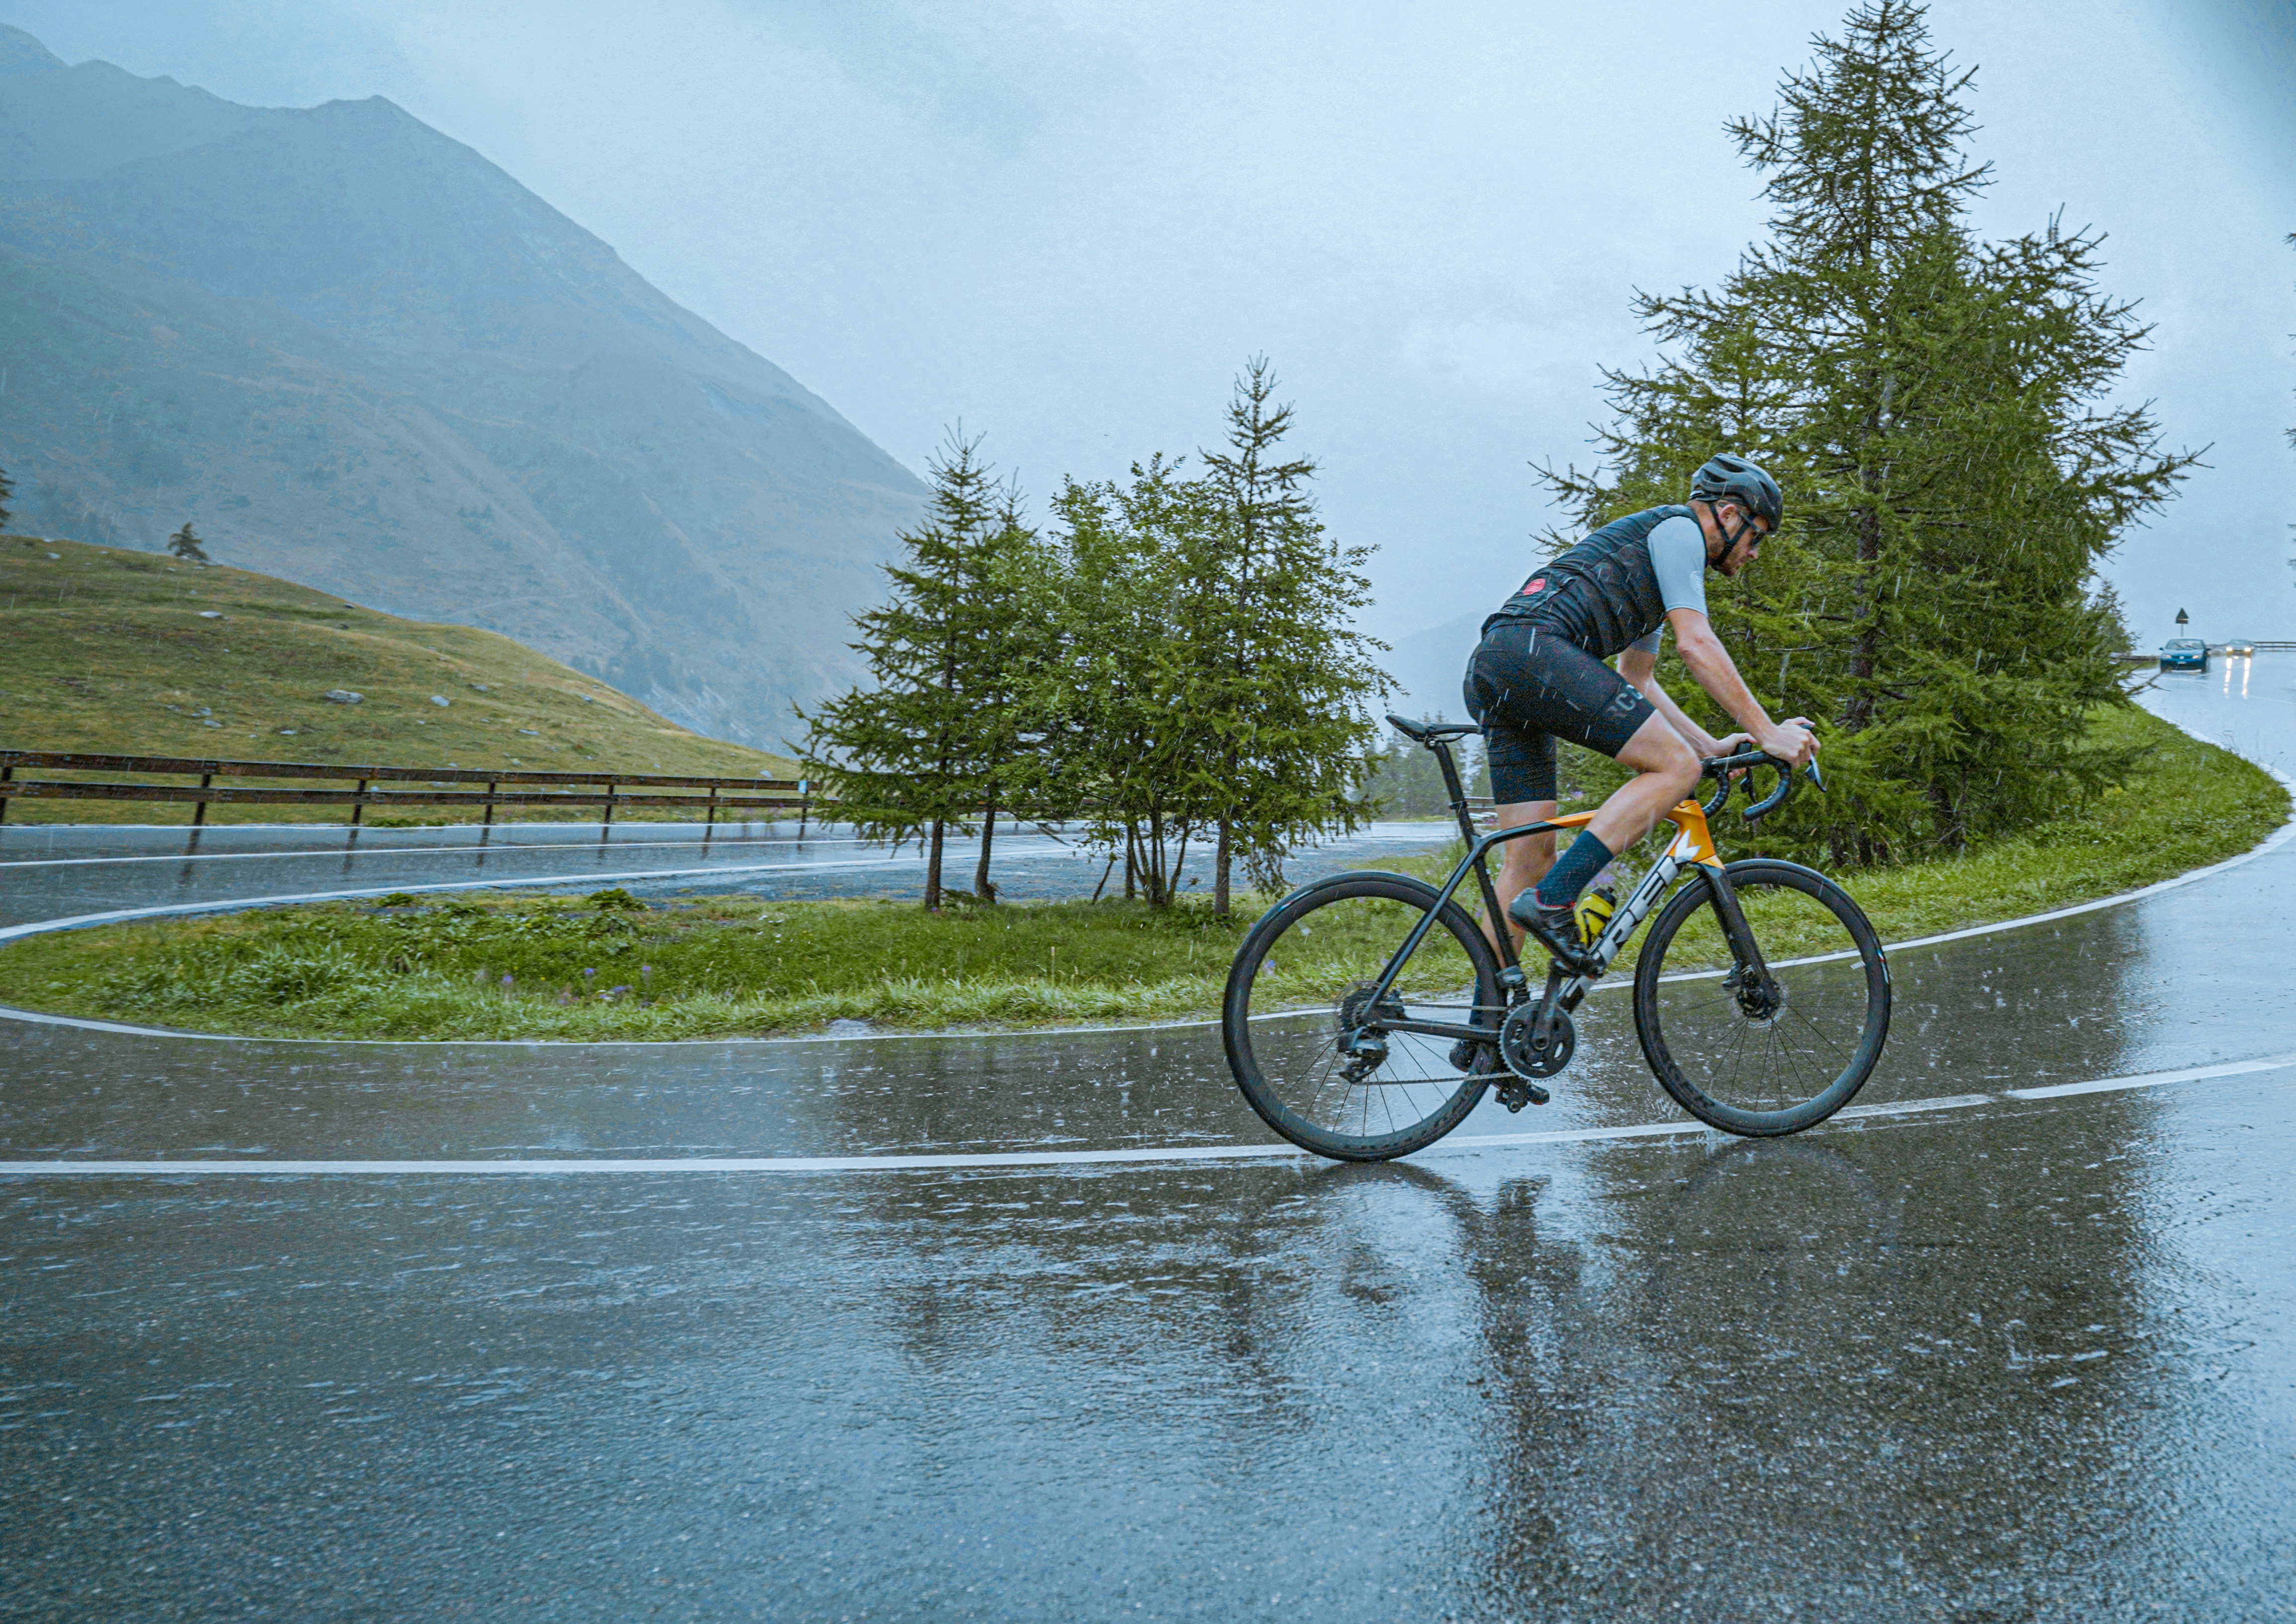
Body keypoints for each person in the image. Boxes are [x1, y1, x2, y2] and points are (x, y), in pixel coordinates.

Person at [1461, 453, 1818, 976]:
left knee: (1527, 860)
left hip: (1501, 664)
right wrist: (1766, 733)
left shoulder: (1653, 563)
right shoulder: (1678, 532)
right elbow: (1696, 643)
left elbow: (1637, 679)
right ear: (1724, 512)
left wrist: (1709, 745)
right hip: (1532, 652)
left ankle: (1482, 1033)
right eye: (1756, 535)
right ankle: (1554, 901)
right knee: (1673, 769)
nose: (1755, 552)